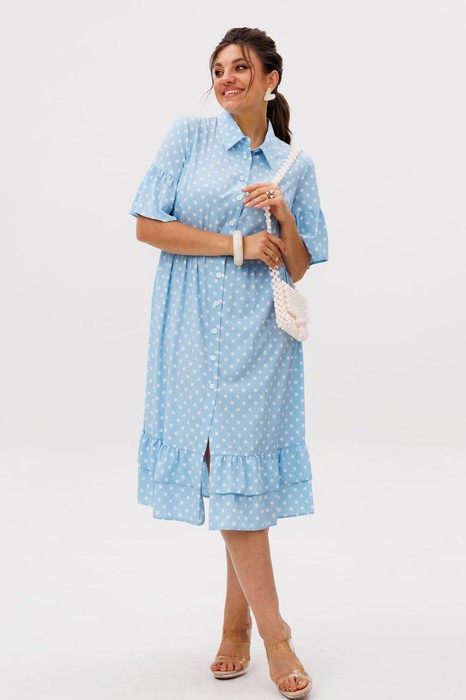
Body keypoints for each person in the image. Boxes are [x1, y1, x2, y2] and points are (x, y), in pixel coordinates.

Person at [129, 26, 328, 699]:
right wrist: (236, 245)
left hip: (259, 336)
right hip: (188, 326)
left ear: (271, 78)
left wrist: (282, 216)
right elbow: (147, 224)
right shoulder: (188, 138)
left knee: (242, 478)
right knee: (223, 468)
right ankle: (268, 633)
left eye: (240, 67)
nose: (226, 79)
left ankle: (248, 630)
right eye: (217, 70)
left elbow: (299, 264)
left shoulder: (294, 165)